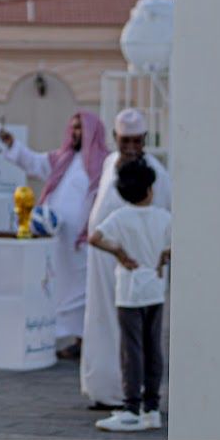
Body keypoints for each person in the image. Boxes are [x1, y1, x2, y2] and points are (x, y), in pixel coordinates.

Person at [0, 110, 110, 358]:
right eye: (73, 127)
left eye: (81, 128)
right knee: (60, 288)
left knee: (85, 292)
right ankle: (65, 337)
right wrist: (13, 144)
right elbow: (34, 163)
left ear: (93, 131)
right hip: (59, 241)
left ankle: (86, 342)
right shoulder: (62, 158)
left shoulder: (105, 163)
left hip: (85, 241)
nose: (76, 132)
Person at [82, 108, 171, 410]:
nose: (131, 147)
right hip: (103, 264)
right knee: (101, 320)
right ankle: (103, 387)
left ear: (144, 138)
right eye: (125, 141)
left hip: (137, 269)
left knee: (134, 336)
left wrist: (158, 258)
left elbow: (166, 221)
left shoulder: (156, 174)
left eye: (136, 140)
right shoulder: (110, 163)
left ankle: (133, 396)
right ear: (115, 138)